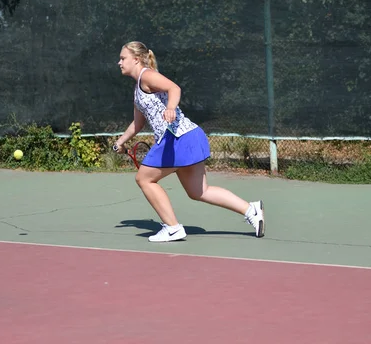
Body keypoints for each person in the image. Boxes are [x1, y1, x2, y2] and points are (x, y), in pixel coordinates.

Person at [112, 41, 265, 242]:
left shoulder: (147, 75)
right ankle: (251, 210)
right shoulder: (137, 89)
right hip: (185, 137)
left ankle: (172, 227)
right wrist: (120, 141)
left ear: (136, 59)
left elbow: (174, 88)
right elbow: (138, 123)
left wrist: (171, 108)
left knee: (144, 179)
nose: (119, 62)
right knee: (199, 191)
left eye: (123, 58)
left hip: (178, 138)